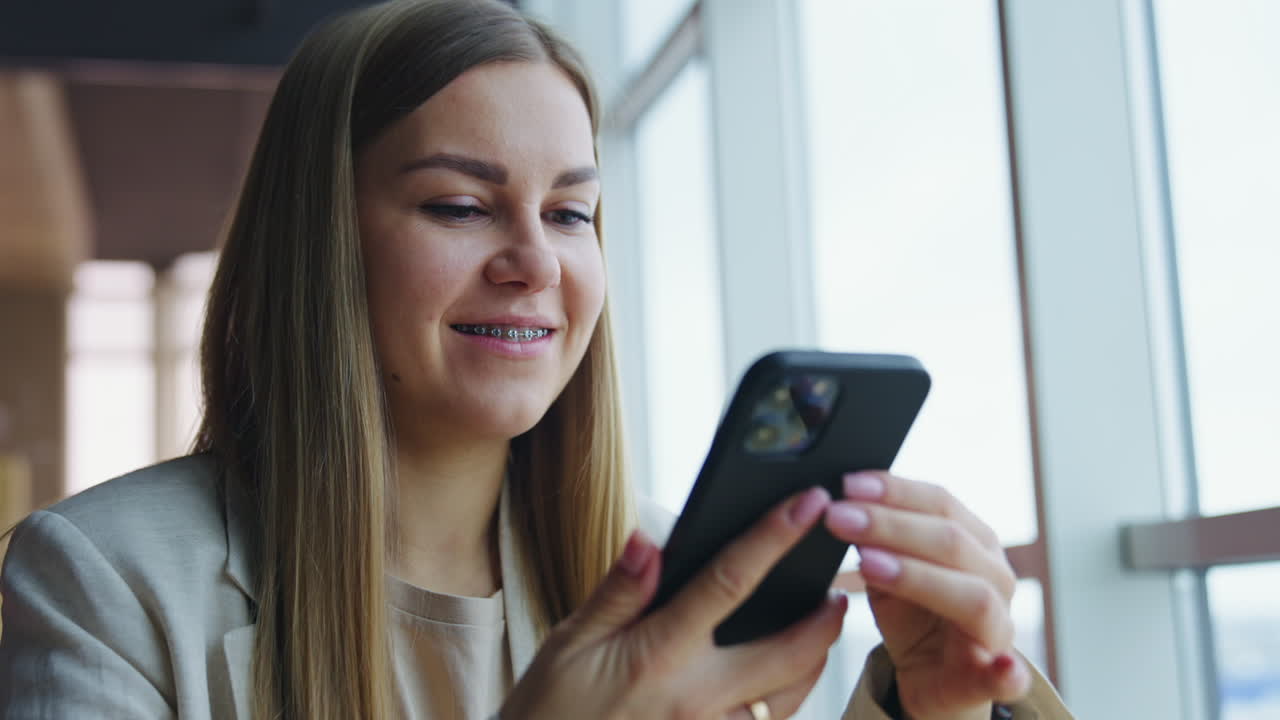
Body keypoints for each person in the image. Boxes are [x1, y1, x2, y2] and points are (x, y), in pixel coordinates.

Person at [0, 1, 1075, 718]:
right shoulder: (104, 581)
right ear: (318, 241)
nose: (532, 262)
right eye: (461, 206)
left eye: (570, 212)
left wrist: (919, 709)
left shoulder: (662, 565)